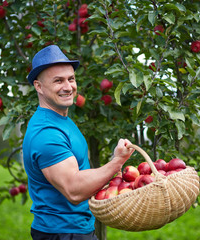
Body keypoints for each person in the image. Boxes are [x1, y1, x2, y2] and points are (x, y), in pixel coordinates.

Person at [23, 45, 134, 240]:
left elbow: (79, 172)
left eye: (71, 79)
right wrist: (117, 162)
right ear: (38, 86)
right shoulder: (46, 134)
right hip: (62, 233)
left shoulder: (62, 119)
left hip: (75, 229)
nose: (68, 87)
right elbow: (74, 190)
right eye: (58, 81)